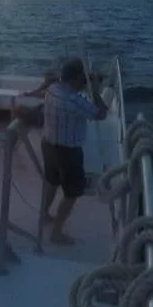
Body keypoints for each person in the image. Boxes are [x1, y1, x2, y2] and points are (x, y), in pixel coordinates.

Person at [40, 59, 108, 245]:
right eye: (83, 77)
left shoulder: (52, 88)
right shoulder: (73, 99)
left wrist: (84, 82)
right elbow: (101, 114)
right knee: (72, 193)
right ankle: (56, 233)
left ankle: (44, 215)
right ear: (78, 77)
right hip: (67, 153)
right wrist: (94, 91)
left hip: (48, 145)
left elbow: (62, 84)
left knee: (52, 182)